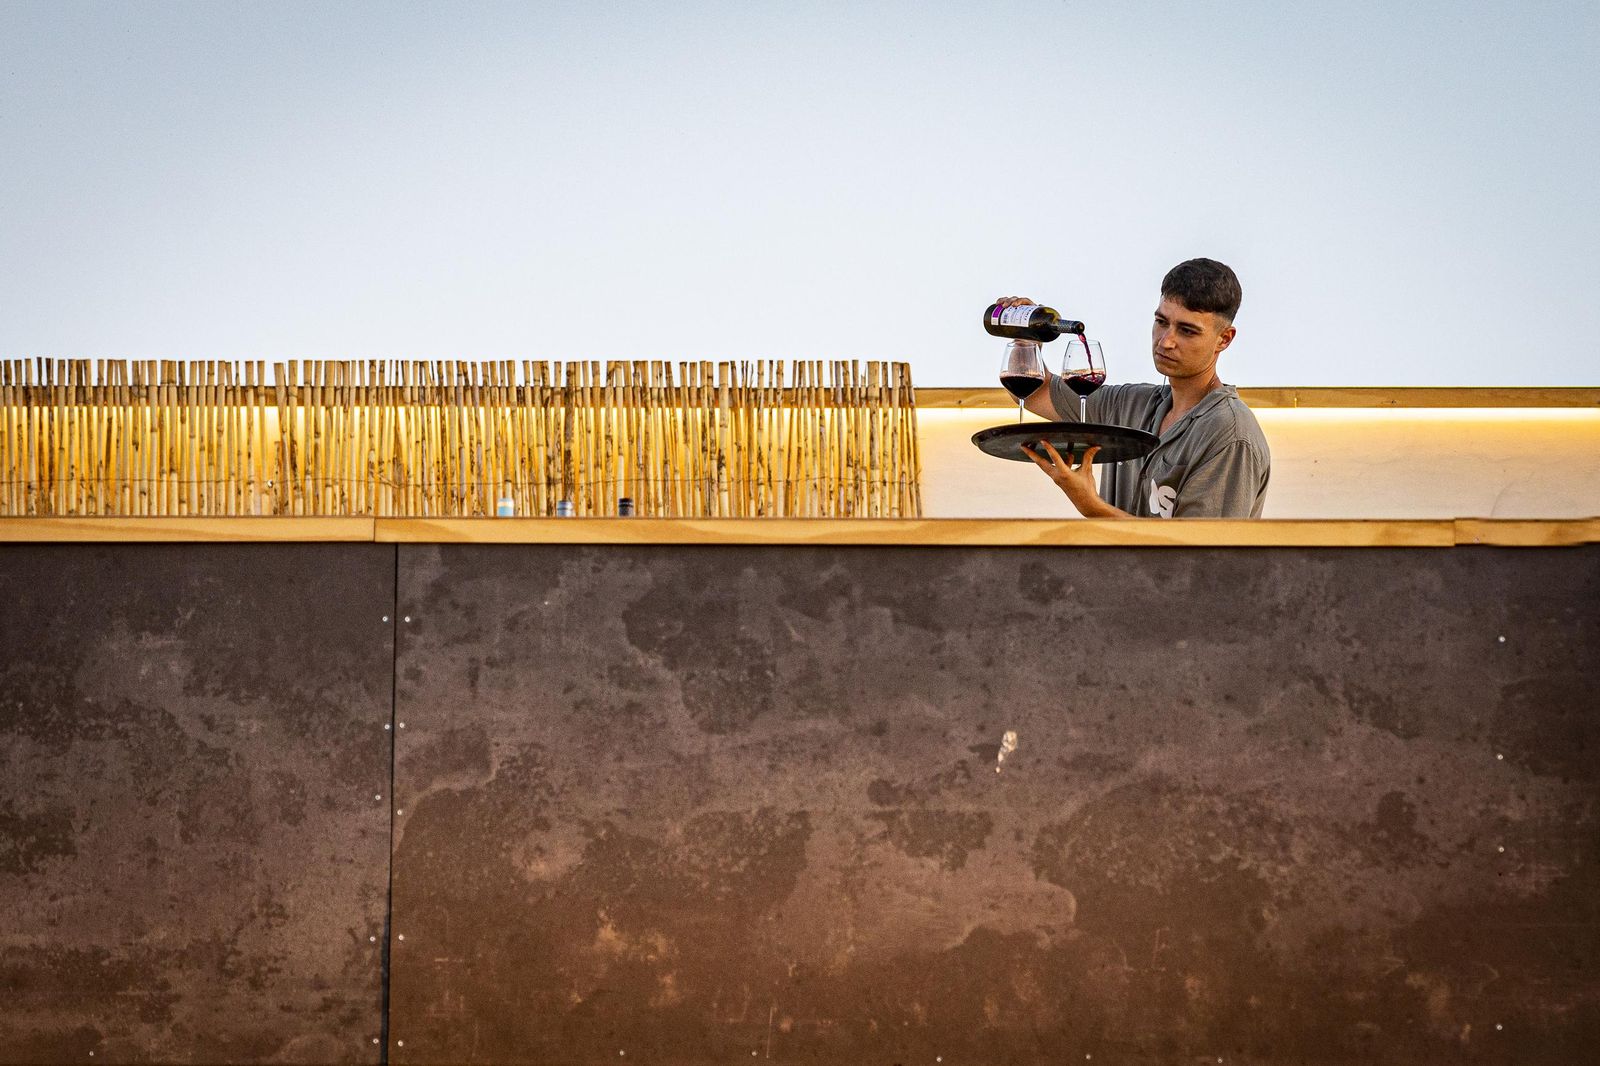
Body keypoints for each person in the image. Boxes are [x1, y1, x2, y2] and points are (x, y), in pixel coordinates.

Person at [1002, 258, 1270, 518]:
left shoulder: (1231, 434)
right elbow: (1036, 393)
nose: (1166, 342)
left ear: (1224, 339)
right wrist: (1026, 341)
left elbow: (1198, 555)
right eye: (1162, 322)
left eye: (1187, 331)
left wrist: (1093, 507)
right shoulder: (1130, 404)